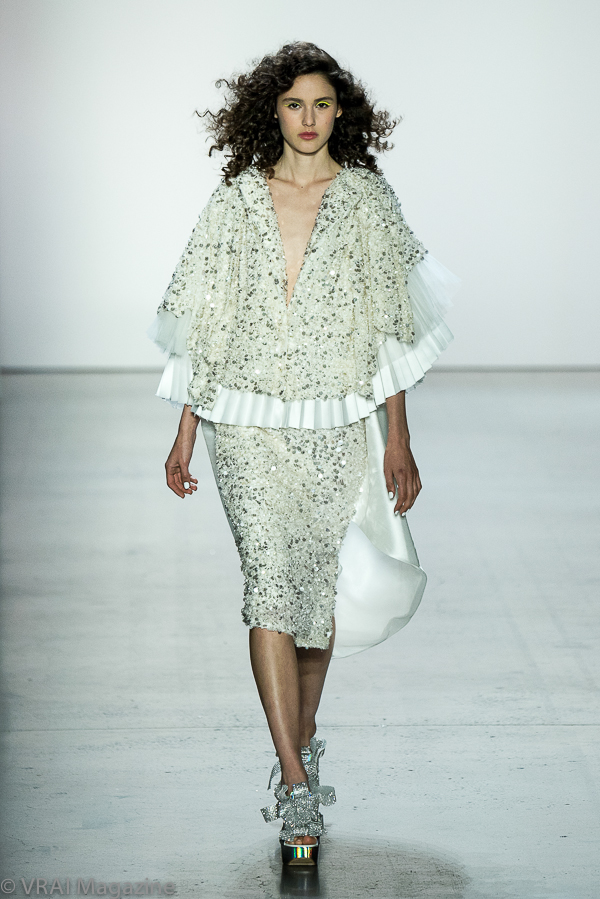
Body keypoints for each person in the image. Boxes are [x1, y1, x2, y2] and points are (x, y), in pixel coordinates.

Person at [149, 42, 457, 866]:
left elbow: (390, 324)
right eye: (294, 105)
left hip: (335, 423)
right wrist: (186, 428)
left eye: (322, 104)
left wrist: (399, 436)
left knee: (313, 601)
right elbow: (206, 318)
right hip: (245, 423)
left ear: (340, 111)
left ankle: (302, 737)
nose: (309, 119)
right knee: (268, 588)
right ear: (273, 113)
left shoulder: (366, 201)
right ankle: (294, 782)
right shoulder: (236, 201)